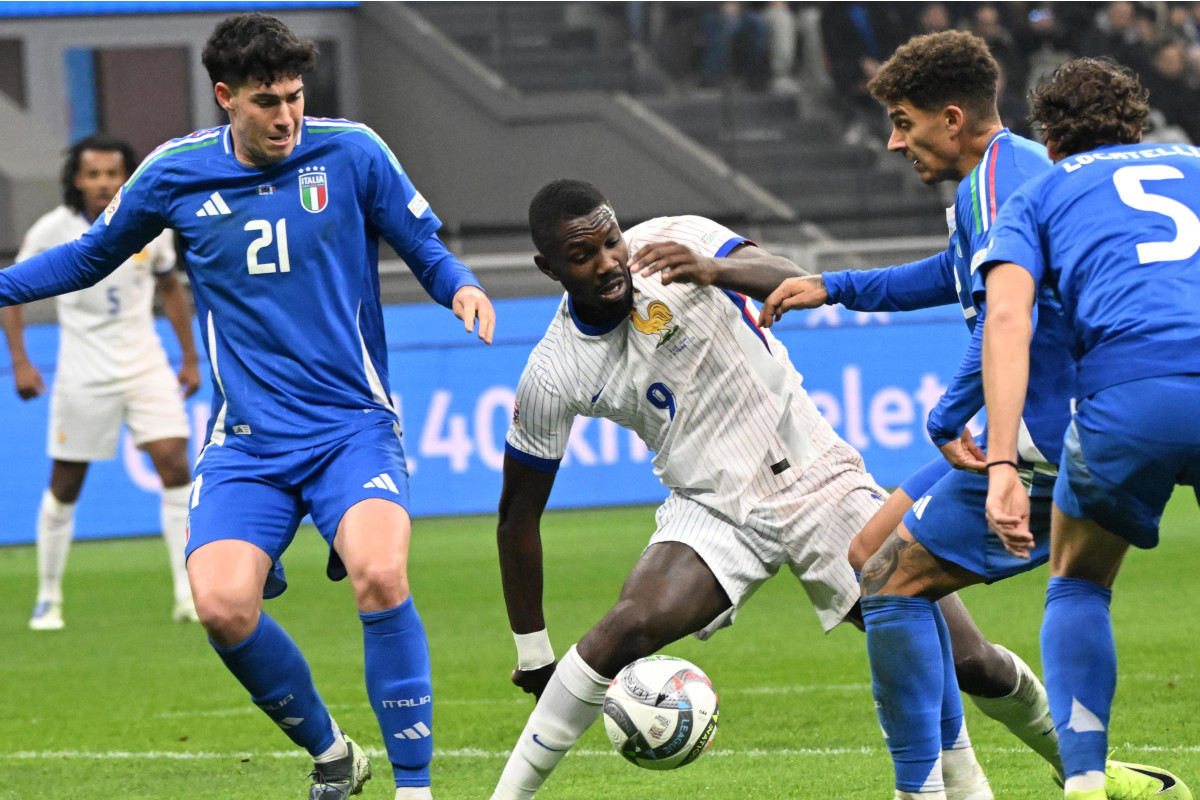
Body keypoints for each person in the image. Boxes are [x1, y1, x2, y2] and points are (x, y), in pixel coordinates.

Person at [0, 13, 494, 800]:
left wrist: (460, 285)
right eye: (268, 101)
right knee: (223, 607)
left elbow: (423, 245)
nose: (288, 117)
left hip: (350, 429)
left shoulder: (354, 151)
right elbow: (89, 257)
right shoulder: (173, 173)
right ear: (226, 97)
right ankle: (336, 755)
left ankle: (415, 789)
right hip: (248, 444)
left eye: (296, 97)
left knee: (379, 573)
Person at [759, 31, 1187, 800]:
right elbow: (956, 272)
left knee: (892, 580)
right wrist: (839, 287)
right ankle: (988, 776)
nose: (894, 142)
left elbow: (1007, 314)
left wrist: (952, 416)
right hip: (1078, 409)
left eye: (903, 121)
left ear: (951, 118)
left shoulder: (1009, 179)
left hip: (1054, 427)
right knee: (871, 552)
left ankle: (934, 787)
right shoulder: (996, 180)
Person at [489, 178, 996, 800]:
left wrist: (713, 268)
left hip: (816, 479)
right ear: (549, 268)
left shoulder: (678, 242)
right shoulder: (553, 370)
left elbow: (787, 277)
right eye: (582, 256)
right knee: (622, 630)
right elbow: (517, 516)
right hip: (714, 508)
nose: (608, 263)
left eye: (611, 241)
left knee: (971, 659)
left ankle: (1075, 763)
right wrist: (534, 650)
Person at [981, 57, 1200, 800]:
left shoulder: (1040, 194)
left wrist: (1003, 463)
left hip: (1128, 395)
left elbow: (1008, 317)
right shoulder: (1196, 163)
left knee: (1078, 583)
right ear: (1139, 125)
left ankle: (1083, 782)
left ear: (1049, 141)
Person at [1, 134, 200, 630]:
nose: (103, 183)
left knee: (176, 465)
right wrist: (21, 362)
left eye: (113, 173)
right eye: (93, 174)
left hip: (144, 363)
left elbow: (170, 288)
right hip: (82, 371)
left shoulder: (149, 223)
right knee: (66, 484)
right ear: (75, 179)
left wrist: (190, 357)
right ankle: (48, 596)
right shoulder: (53, 229)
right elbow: (14, 291)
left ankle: (188, 594)